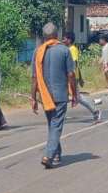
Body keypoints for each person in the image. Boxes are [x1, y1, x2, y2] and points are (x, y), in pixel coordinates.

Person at [31, 23, 76, 169]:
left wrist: (33, 97)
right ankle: (49, 155)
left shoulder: (38, 52)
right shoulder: (64, 50)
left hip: (45, 95)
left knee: (53, 125)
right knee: (56, 126)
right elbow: (70, 74)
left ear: (44, 37)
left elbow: (34, 78)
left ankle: (57, 154)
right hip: (60, 95)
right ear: (57, 35)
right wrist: (75, 93)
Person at [64, 33, 100, 122]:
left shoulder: (72, 49)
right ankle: (60, 116)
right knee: (64, 96)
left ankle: (95, 111)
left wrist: (77, 77)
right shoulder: (68, 49)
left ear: (69, 40)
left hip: (72, 77)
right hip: (68, 76)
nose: (62, 40)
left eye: (64, 39)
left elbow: (74, 64)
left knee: (78, 97)